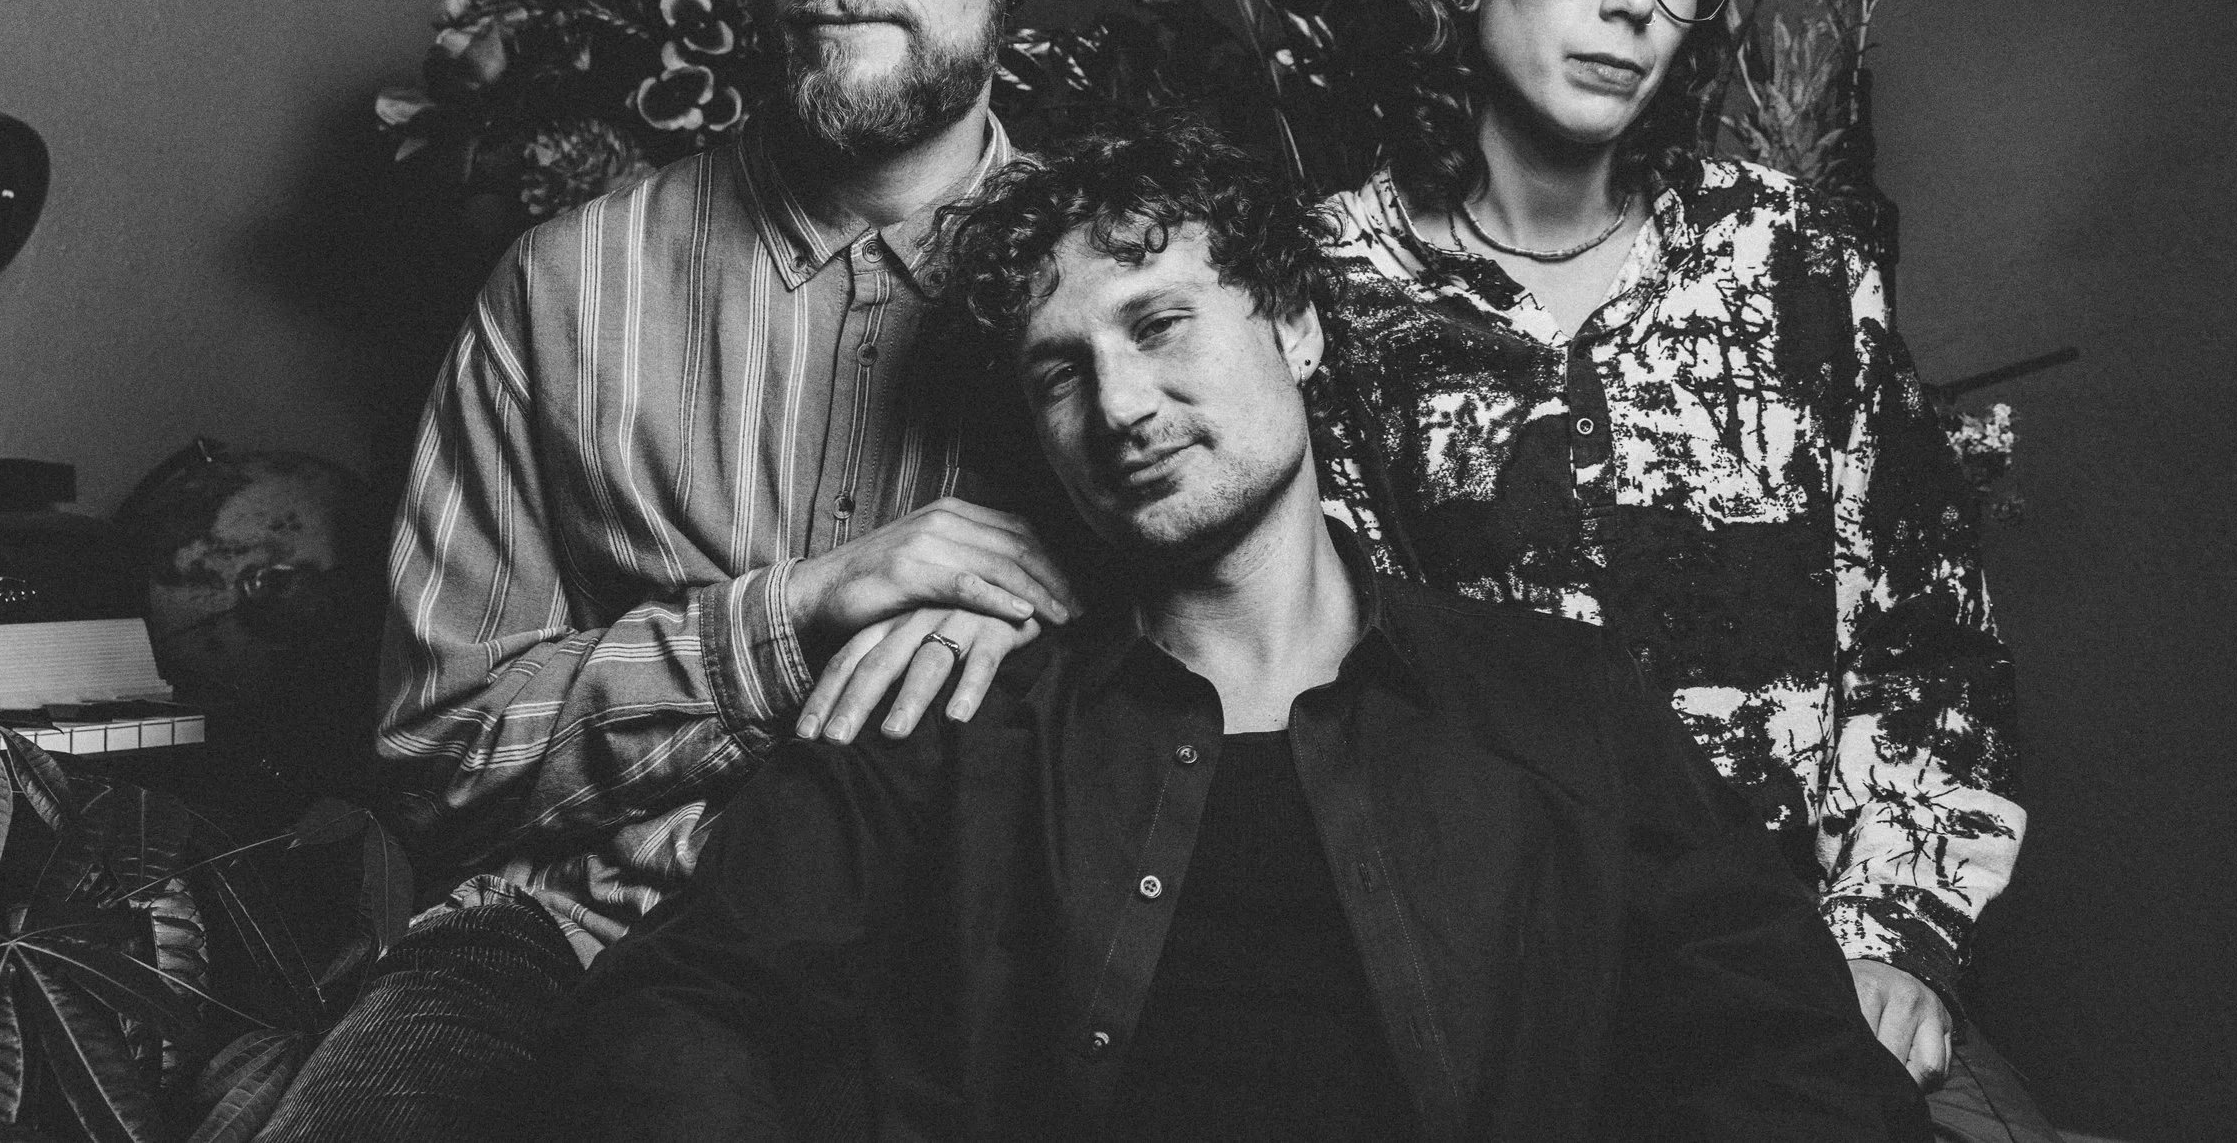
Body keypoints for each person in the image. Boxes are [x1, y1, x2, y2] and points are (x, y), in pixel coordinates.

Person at [531, 119, 1928, 1141]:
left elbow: (1792, 1059)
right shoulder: (947, 716)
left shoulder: (1553, 701)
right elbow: (672, 1015)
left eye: (1160, 326)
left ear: (1298, 327)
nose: (1121, 405)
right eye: (1060, 374)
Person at [261, 0, 1098, 1142]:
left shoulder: (1124, 303)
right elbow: (438, 749)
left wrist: (1052, 647)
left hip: (957, 964)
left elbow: (1225, 687)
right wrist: (794, 617)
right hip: (567, 938)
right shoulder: (566, 288)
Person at [1309, 0, 2059, 1141]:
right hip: (1500, 1009)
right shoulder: (1337, 293)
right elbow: (1328, 677)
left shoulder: (1786, 255)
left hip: (1803, 982)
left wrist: (1893, 937)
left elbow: (1928, 638)